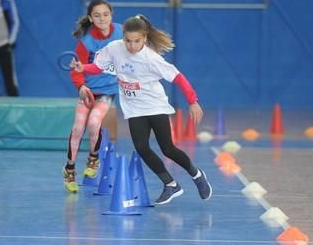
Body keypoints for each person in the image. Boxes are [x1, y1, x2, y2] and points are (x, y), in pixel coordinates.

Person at [71, 15, 212, 205]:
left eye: (136, 41)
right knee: (142, 148)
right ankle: (171, 184)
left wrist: (193, 102)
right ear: (123, 38)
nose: (131, 45)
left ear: (144, 38)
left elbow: (179, 78)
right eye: (127, 40)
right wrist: (83, 67)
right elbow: (98, 67)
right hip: (134, 109)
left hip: (155, 106)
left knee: (168, 149)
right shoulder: (114, 49)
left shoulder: (151, 58)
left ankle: (196, 175)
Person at [62, 0, 122, 193]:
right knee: (78, 127)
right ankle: (69, 168)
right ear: (90, 18)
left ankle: (93, 158)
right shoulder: (86, 42)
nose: (102, 18)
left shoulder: (122, 33)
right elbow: (77, 69)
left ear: (111, 14)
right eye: (97, 15)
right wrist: (80, 86)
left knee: (95, 123)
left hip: (107, 91)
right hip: (88, 91)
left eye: (106, 14)